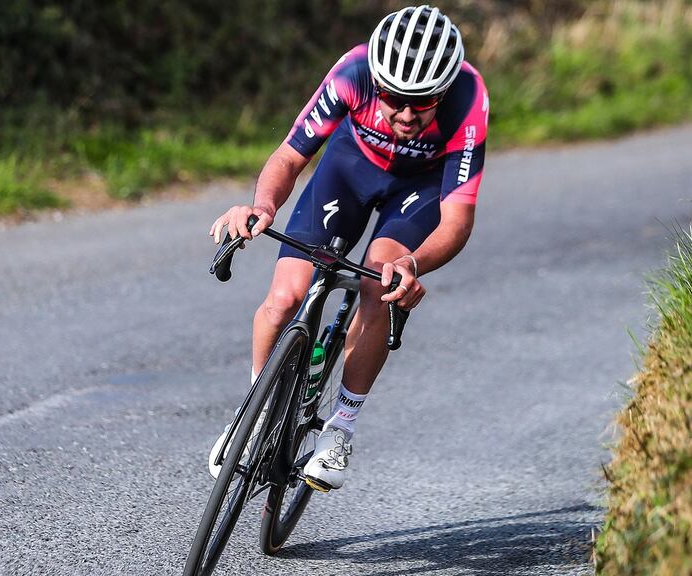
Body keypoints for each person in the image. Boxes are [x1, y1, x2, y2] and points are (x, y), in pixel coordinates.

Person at [207, 4, 489, 491]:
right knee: (283, 299)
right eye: (395, 98)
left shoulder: (468, 99)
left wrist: (412, 262)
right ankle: (251, 413)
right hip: (349, 168)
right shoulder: (353, 72)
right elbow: (290, 156)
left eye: (421, 103)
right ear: (377, 81)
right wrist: (263, 208)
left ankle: (340, 428)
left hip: (418, 189)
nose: (405, 114)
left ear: (443, 92)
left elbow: (458, 221)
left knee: (375, 281)